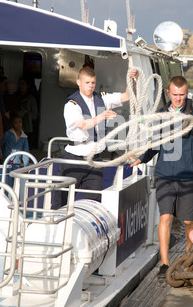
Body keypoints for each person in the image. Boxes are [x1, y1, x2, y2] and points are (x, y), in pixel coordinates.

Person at [130, 76, 193, 278]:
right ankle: (165, 264)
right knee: (165, 217)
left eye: (182, 95)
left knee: (188, 222)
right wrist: (141, 159)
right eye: (175, 95)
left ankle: (188, 258)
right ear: (168, 93)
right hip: (164, 175)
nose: (178, 99)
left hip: (189, 178)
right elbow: (154, 145)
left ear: (187, 94)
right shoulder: (160, 116)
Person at [52, 65, 137, 209]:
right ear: (78, 82)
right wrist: (102, 116)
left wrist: (131, 79)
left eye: (93, 83)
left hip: (95, 158)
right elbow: (82, 124)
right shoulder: (71, 105)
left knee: (94, 201)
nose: (90, 86)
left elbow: (126, 96)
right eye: (87, 83)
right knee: (62, 200)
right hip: (74, 158)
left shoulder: (101, 99)